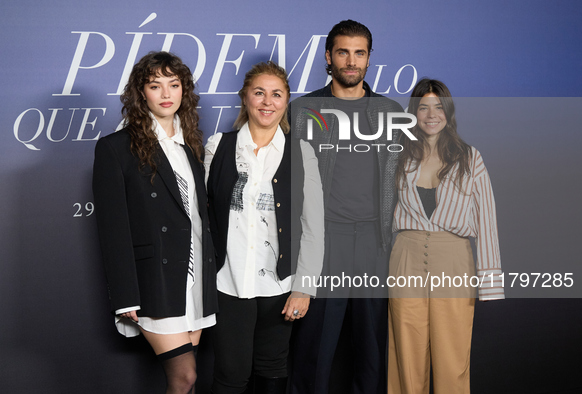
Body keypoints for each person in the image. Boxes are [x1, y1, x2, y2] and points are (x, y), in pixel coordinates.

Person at [289, 20, 404, 394]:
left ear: (369, 58)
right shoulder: (304, 109)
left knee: (372, 347)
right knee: (314, 347)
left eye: (359, 53)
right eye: (343, 52)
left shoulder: (389, 111)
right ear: (328, 56)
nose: (351, 61)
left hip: (375, 242)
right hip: (325, 241)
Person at [92, 51, 217, 394]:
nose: (166, 94)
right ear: (140, 93)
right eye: (155, 85)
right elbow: (112, 228)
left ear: (184, 91)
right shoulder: (116, 148)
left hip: (194, 279)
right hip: (154, 281)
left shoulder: (190, 145)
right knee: (185, 376)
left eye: (174, 85)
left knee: (187, 379)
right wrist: (124, 295)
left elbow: (196, 216)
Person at [204, 61, 323, 394]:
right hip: (228, 283)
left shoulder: (301, 152)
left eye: (276, 94)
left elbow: (313, 226)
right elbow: (201, 218)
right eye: (259, 93)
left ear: (286, 101)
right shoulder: (218, 147)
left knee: (273, 367)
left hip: (279, 285)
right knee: (230, 373)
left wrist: (304, 287)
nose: (267, 102)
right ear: (245, 97)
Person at [388, 79, 504, 394]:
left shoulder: (470, 157)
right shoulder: (397, 156)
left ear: (448, 112)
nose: (431, 114)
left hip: (454, 262)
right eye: (423, 106)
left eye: (438, 106)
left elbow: (486, 220)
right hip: (405, 258)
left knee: (451, 358)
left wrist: (490, 284)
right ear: (413, 112)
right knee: (405, 359)